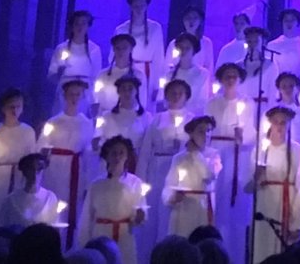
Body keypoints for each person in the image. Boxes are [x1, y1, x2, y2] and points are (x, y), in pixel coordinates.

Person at [136, 78, 194, 263]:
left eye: (180, 93)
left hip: (179, 172)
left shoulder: (191, 120)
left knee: (172, 216)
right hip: (157, 170)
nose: (176, 96)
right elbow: (146, 150)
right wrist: (140, 180)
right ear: (166, 96)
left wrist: (183, 146)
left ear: (186, 97)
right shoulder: (157, 119)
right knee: (154, 216)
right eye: (172, 93)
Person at [205, 63, 255, 264]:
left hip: (237, 157)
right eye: (227, 75)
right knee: (217, 205)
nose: (231, 79)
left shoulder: (247, 103)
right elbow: (207, 130)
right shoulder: (212, 104)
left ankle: (235, 257)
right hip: (217, 154)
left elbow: (252, 131)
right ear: (221, 79)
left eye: (234, 75)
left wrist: (243, 136)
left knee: (235, 208)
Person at [38, 78, 94, 249]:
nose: (74, 98)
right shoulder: (54, 122)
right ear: (65, 95)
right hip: (55, 169)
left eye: (78, 94)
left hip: (75, 170)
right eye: (71, 94)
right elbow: (41, 145)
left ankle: (68, 248)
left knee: (72, 208)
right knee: (54, 205)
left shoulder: (86, 123)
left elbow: (88, 152)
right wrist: (44, 152)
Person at [250, 105, 300, 260]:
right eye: (276, 122)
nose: (280, 126)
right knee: (263, 248)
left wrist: (296, 222)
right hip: (265, 206)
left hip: (285, 206)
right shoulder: (259, 150)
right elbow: (248, 187)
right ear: (270, 123)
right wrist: (256, 177)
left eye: (284, 122)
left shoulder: (296, 150)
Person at [78, 136, 146, 264]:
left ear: (127, 156)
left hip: (124, 236)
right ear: (106, 156)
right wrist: (83, 244)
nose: (117, 157)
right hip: (101, 235)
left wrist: (139, 218)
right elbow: (86, 218)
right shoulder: (96, 185)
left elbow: (140, 212)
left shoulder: (135, 183)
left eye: (122, 153)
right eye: (114, 153)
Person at [93, 74, 150, 176]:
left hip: (135, 165)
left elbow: (148, 145)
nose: (127, 93)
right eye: (123, 89)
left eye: (130, 89)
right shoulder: (106, 116)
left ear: (136, 91)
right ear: (118, 92)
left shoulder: (146, 117)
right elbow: (98, 140)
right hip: (110, 164)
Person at [115, 0, 166, 105]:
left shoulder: (155, 28)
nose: (139, 9)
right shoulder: (121, 29)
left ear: (147, 6)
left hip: (148, 73)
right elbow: (114, 57)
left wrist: (157, 85)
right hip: (126, 72)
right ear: (131, 7)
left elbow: (159, 57)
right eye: (136, 6)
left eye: (142, 6)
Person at [49, 11, 103, 113]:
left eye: (83, 23)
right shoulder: (61, 48)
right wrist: (59, 72)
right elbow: (51, 75)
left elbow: (96, 77)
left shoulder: (94, 50)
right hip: (64, 91)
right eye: (77, 23)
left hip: (85, 94)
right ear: (72, 26)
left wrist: (95, 100)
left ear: (88, 26)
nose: (80, 27)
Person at [1, 153, 62, 227]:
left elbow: (54, 225)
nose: (35, 174)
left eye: (39, 169)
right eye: (31, 169)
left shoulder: (50, 197)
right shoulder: (11, 200)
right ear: (24, 172)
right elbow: (2, 228)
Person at [94, 35, 145, 114]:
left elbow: (142, 102)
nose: (121, 51)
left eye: (124, 48)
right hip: (107, 118)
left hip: (129, 118)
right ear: (114, 49)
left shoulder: (138, 76)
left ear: (131, 49)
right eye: (118, 48)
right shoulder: (103, 75)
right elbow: (96, 99)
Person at [162, 34, 211, 113]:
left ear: (194, 51)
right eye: (181, 47)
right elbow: (163, 100)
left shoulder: (202, 74)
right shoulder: (170, 74)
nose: (183, 51)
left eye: (187, 48)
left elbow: (203, 102)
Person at [168, 7, 216, 74]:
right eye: (188, 18)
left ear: (200, 21)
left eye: (195, 18)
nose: (191, 21)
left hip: (199, 79)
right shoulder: (174, 43)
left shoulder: (206, 43)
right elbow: (168, 67)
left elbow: (209, 67)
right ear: (183, 20)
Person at [241, 25, 280, 105]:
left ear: (263, 43)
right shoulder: (239, 66)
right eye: (249, 42)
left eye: (256, 41)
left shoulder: (270, 65)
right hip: (243, 109)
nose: (253, 45)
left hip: (262, 108)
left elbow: (273, 93)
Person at [268, 8, 300, 79]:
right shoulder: (272, 45)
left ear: (298, 23)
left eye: (292, 20)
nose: (289, 23)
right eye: (286, 20)